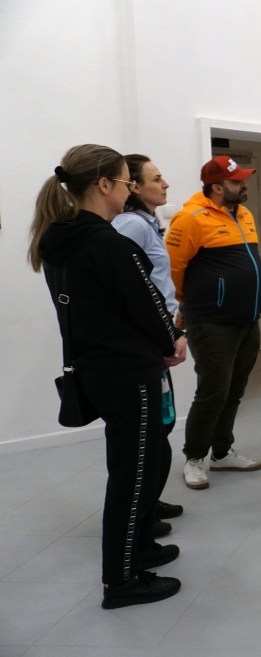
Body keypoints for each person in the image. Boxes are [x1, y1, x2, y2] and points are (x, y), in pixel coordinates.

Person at [30, 144, 185, 609]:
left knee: (136, 466)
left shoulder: (60, 240)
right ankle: (120, 581)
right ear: (104, 185)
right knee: (133, 475)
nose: (129, 189)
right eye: (125, 181)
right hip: (127, 372)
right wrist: (171, 340)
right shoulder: (107, 243)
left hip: (98, 368)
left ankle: (141, 548)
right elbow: (146, 305)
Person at [165, 156, 261, 489]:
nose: (244, 184)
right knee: (213, 392)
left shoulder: (245, 214)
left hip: (247, 320)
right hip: (211, 322)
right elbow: (171, 270)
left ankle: (221, 453)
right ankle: (194, 458)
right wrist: (188, 304)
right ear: (218, 187)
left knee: (234, 390)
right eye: (237, 181)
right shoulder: (190, 218)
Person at [111, 154, 183, 527]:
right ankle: (142, 513)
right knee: (152, 431)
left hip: (158, 337)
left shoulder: (145, 223)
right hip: (148, 342)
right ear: (134, 187)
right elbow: (128, 289)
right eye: (156, 179)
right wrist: (163, 335)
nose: (165, 184)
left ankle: (148, 503)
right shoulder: (130, 226)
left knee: (161, 426)